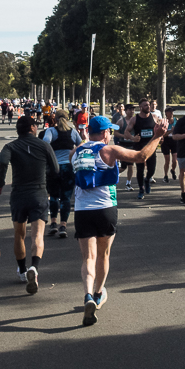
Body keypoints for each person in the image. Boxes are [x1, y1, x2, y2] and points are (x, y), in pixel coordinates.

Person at [71, 114, 166, 325]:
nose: (111, 134)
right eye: (110, 131)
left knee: (88, 257)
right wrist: (157, 137)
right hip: (105, 209)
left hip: (82, 210)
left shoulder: (77, 151)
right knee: (103, 254)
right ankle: (97, 294)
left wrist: (83, 140)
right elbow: (141, 156)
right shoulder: (109, 150)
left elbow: (72, 166)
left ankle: (87, 294)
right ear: (105, 133)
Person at [0, 113, 59, 293]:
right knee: (37, 235)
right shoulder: (44, 145)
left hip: (19, 194)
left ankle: (22, 270)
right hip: (38, 192)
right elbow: (55, 169)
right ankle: (34, 268)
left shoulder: (10, 146)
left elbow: (2, 163)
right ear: (32, 128)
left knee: (19, 234)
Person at [41, 111, 81, 238]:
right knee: (66, 198)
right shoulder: (73, 132)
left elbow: (45, 143)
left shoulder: (51, 131)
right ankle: (63, 226)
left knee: (53, 195)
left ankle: (53, 223)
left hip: (54, 167)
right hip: (69, 168)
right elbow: (81, 144)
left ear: (56, 119)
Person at [124, 100, 159, 199]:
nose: (148, 107)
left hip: (151, 148)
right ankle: (141, 189)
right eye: (145, 105)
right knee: (140, 169)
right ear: (140, 107)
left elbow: (159, 130)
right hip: (139, 148)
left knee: (151, 169)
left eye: (148, 105)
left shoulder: (154, 117)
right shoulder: (135, 119)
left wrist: (160, 137)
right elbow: (126, 132)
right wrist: (132, 138)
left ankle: (147, 179)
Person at [160, 107, 178, 182]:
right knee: (167, 160)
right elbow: (163, 135)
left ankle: (173, 170)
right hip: (166, 141)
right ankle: (165, 175)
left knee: (175, 160)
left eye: (172, 112)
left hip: (174, 141)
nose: (172, 113)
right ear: (166, 113)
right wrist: (171, 131)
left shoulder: (176, 120)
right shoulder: (164, 122)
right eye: (170, 112)